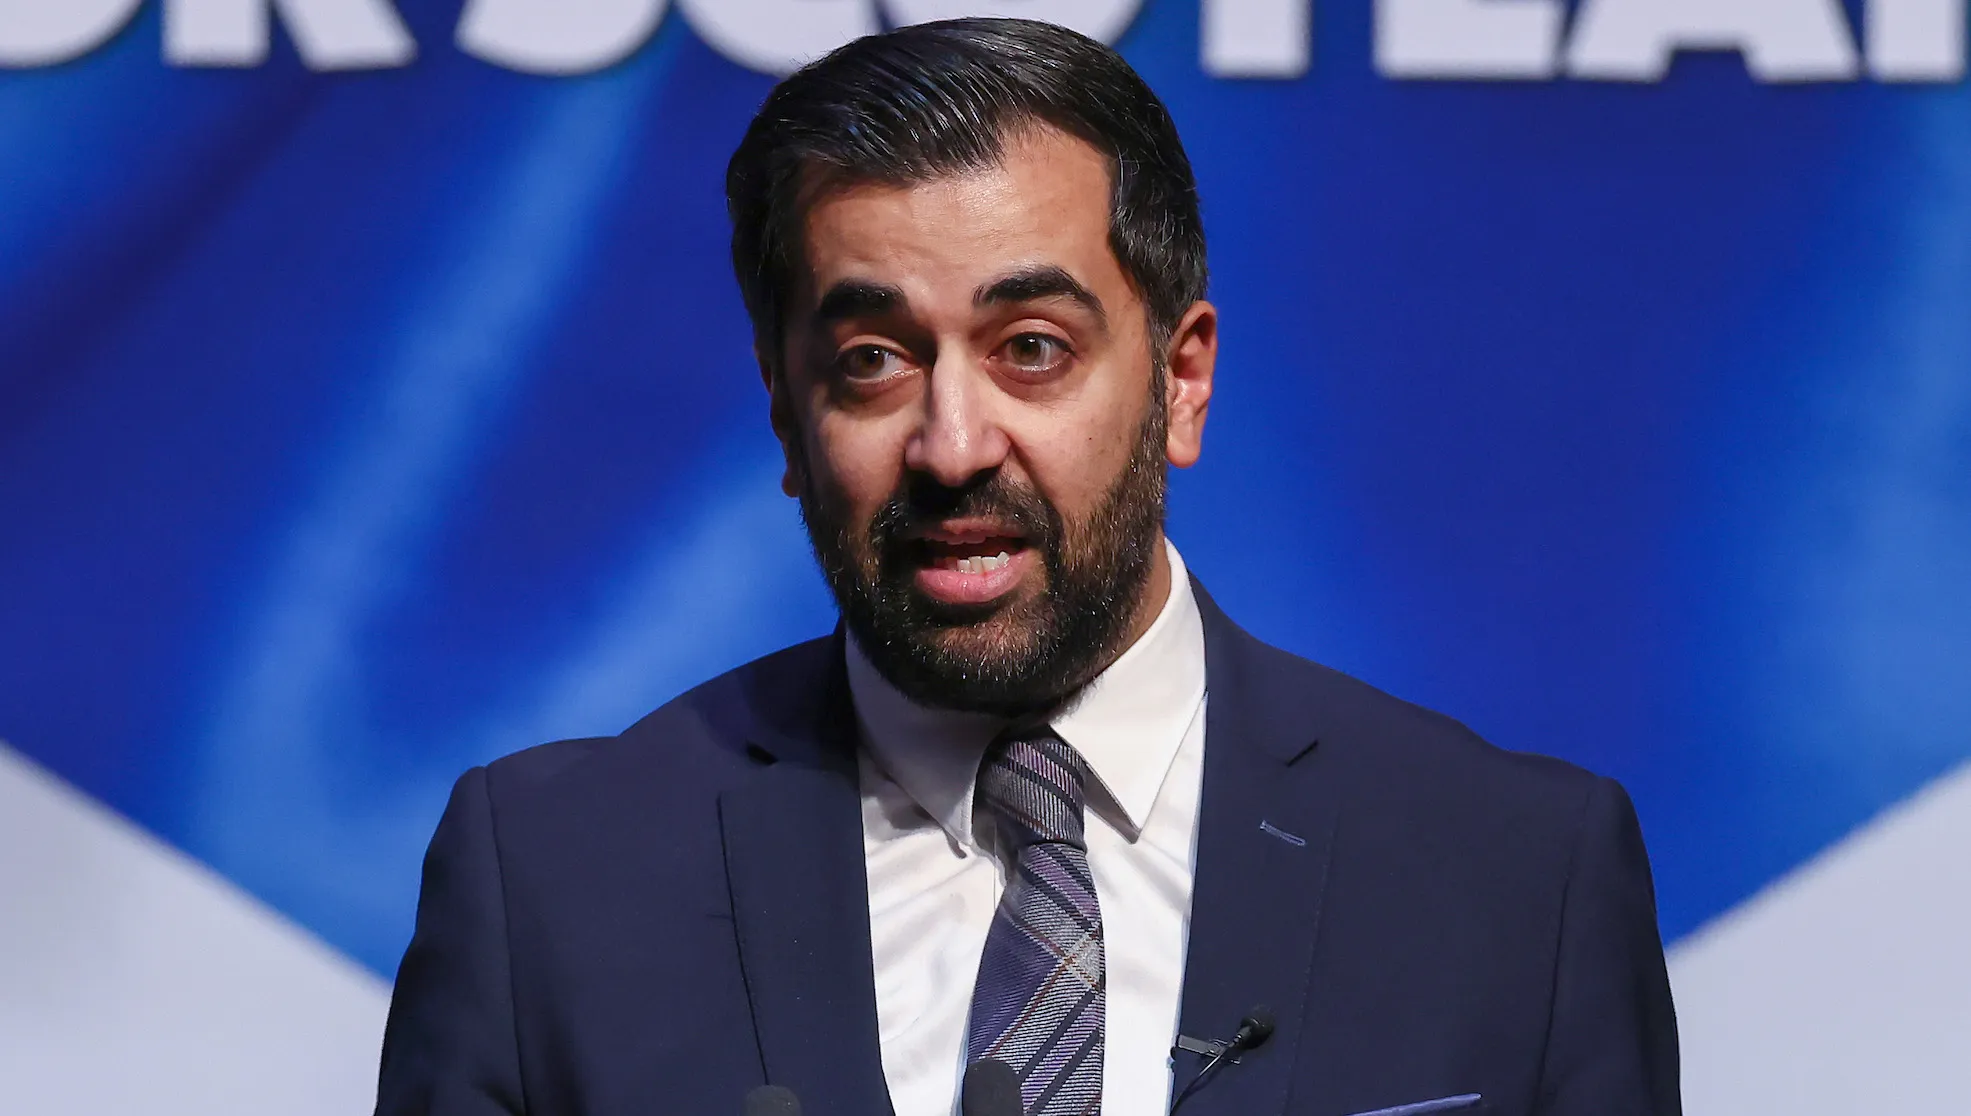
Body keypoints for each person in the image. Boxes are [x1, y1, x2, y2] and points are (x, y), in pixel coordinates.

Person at [374, 18, 1679, 1116]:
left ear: (1179, 381)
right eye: (873, 361)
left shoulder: (1520, 877)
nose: (952, 446)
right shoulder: (552, 883)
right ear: (784, 415)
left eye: (1032, 349)